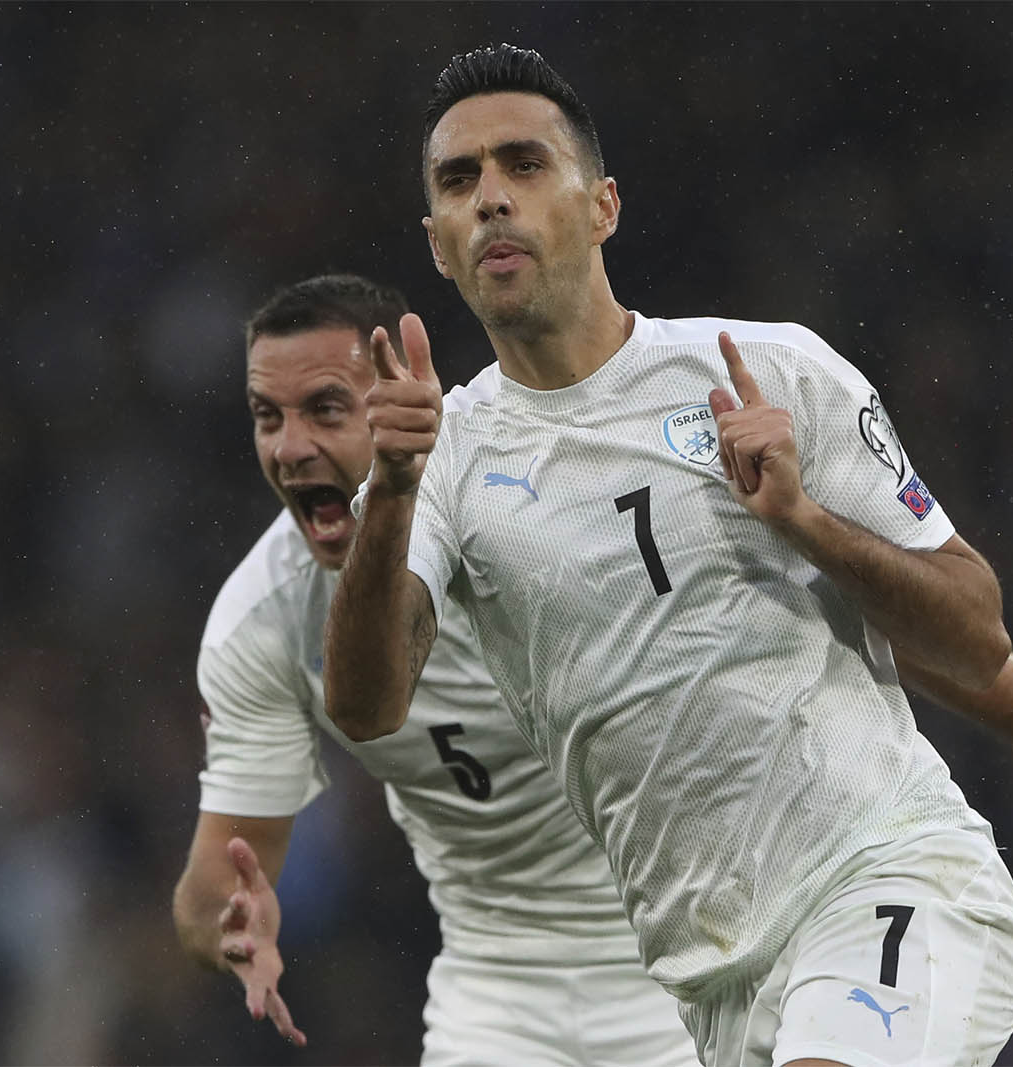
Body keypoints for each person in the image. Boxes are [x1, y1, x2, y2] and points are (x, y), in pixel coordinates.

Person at [325, 46, 1013, 1067]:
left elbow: (970, 630)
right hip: (714, 986)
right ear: (437, 244)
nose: (491, 199)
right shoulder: (434, 462)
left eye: (524, 165)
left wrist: (805, 521)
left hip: (886, 879)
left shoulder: (767, 374)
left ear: (603, 205)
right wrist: (391, 496)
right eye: (460, 180)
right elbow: (365, 705)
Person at [171, 274, 698, 1067]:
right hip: (498, 990)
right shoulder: (265, 617)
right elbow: (211, 886)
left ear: (404, 399)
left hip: (689, 950)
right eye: (266, 416)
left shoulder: (545, 495)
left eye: (324, 408)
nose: (289, 446)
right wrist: (231, 925)